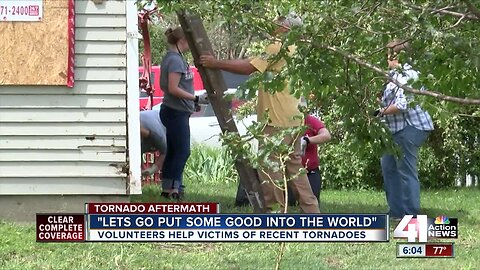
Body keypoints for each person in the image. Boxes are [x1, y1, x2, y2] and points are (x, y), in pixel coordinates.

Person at [200, 13, 320, 213]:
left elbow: (250, 66)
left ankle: (275, 214)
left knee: (269, 168)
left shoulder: (278, 47)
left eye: (279, 22)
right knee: (295, 168)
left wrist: (215, 63)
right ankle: (312, 212)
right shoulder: (298, 50)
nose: (274, 24)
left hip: (277, 119)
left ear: (286, 28)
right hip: (295, 118)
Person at [375, 39, 434, 219]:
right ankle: (396, 213)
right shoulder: (393, 75)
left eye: (388, 55)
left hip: (410, 127)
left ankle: (411, 216)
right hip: (394, 129)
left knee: (405, 170)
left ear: (397, 55)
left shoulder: (408, 75)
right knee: (388, 167)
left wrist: (379, 112)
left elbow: (401, 105)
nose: (387, 59)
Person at [159, 26, 208, 200]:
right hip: (174, 112)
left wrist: (191, 103)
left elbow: (180, 87)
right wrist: (195, 99)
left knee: (173, 150)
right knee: (181, 151)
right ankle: (173, 189)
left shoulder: (175, 57)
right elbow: (173, 88)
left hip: (177, 110)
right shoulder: (175, 60)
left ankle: (168, 188)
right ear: (182, 41)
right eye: (188, 41)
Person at [287, 114, 331, 207]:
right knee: (290, 204)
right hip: (291, 173)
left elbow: (326, 135)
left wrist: (308, 140)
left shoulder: (309, 120)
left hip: (310, 171)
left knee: (311, 204)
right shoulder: (285, 121)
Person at [140, 110, 166, 177]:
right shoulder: (129, 135)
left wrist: (153, 169)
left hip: (165, 124)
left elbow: (165, 151)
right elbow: (136, 153)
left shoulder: (157, 134)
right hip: (146, 124)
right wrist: (142, 169)